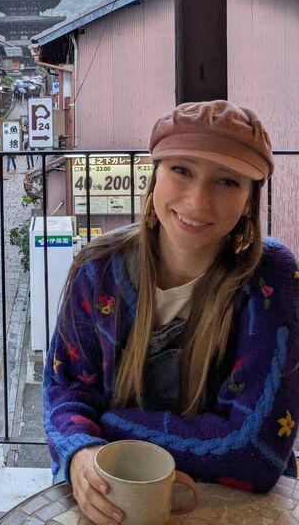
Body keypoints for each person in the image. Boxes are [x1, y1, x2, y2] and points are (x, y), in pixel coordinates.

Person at [44, 101, 299, 524]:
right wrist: (81, 451)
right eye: (182, 170)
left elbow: (255, 451)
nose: (198, 201)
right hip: (115, 499)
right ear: (154, 172)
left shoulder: (269, 279)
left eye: (227, 181)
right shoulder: (97, 268)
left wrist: (107, 429)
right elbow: (65, 387)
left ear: (249, 199)